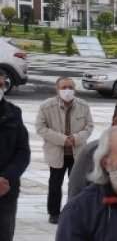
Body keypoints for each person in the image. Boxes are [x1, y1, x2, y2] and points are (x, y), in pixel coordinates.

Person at [35, 77, 94, 224]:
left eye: (70, 87)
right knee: (55, 184)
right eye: (64, 87)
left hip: (77, 152)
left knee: (77, 184)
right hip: (57, 152)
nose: (67, 90)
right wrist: (62, 139)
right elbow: (41, 128)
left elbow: (89, 127)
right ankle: (54, 213)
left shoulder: (83, 105)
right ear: (57, 89)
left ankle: (76, 212)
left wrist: (76, 138)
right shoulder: (46, 106)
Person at [0, 75, 28, 241]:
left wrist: (6, 178)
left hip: (5, 193)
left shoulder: (13, 114)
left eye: (1, 85)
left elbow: (22, 152)